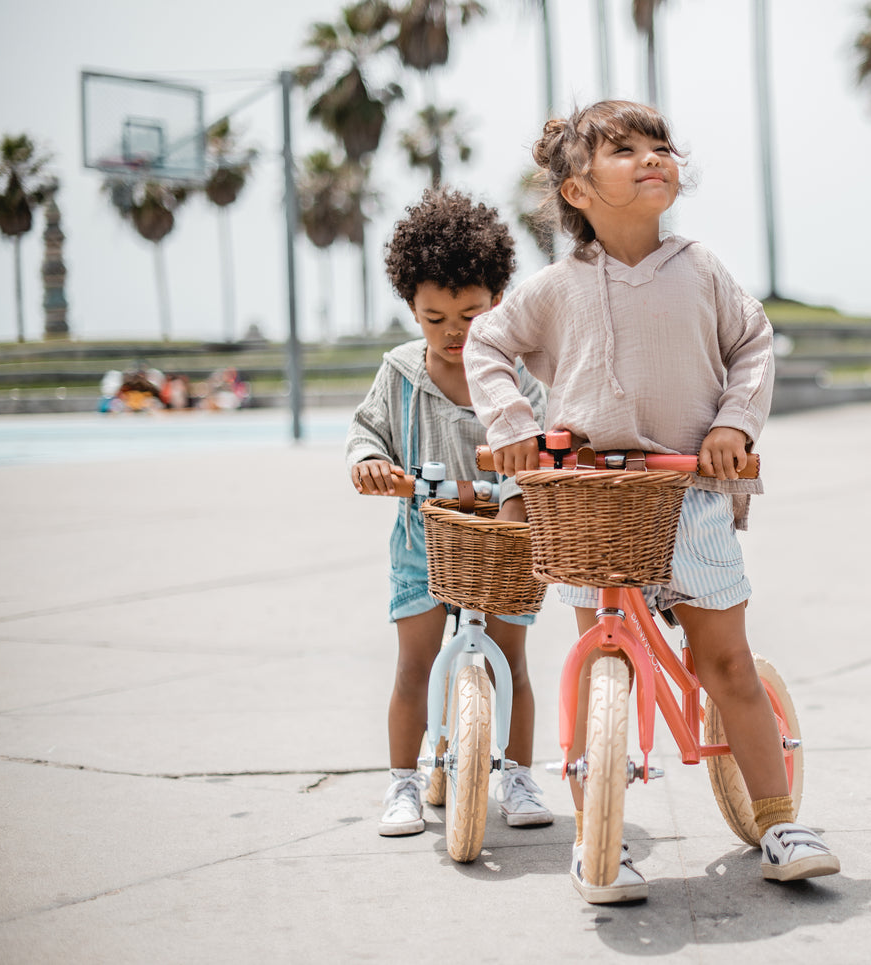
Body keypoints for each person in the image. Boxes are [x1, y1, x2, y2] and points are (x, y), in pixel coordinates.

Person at [464, 101, 840, 903]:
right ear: (575, 191)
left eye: (660, 145)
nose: (652, 157)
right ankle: (598, 837)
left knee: (725, 661)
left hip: (690, 489)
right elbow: (486, 344)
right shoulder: (554, 287)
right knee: (593, 654)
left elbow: (752, 345)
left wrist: (734, 424)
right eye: (624, 149)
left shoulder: (700, 269)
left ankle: (779, 820)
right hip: (591, 500)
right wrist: (515, 423)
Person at [346, 188, 551, 837]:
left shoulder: (520, 377)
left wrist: (524, 493)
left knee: (510, 661)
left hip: (506, 539)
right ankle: (402, 781)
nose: (454, 333)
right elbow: (366, 432)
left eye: (470, 314)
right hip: (422, 540)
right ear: (410, 305)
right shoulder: (401, 373)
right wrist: (369, 462)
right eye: (433, 318)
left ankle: (517, 773)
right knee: (413, 663)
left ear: (498, 300)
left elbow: (546, 442)